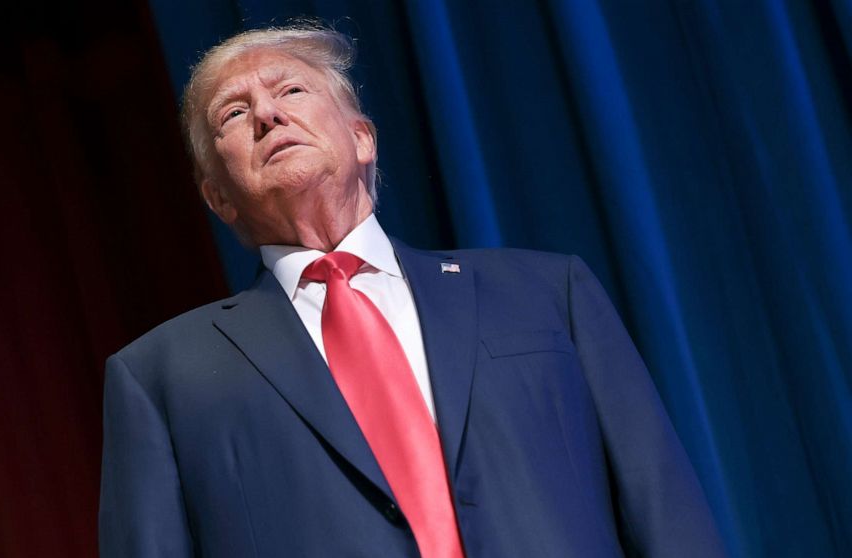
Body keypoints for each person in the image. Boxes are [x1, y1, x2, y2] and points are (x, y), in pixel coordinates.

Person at [99, 24, 727, 558]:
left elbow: (665, 511)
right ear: (217, 196)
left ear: (362, 137)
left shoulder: (546, 292)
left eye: (291, 90)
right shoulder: (160, 377)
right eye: (234, 113)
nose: (267, 113)